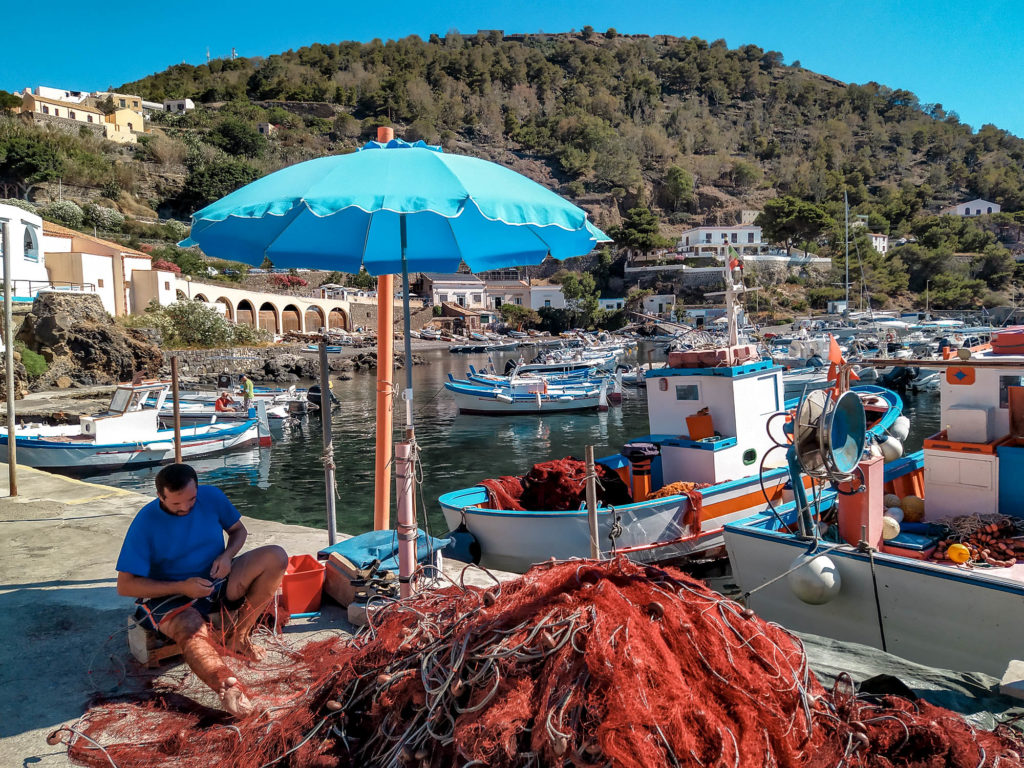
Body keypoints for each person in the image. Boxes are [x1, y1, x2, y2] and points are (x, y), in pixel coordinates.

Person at [116, 463, 287, 717]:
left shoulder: (212, 497)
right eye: (176, 504)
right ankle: (228, 687)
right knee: (191, 632)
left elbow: (239, 531)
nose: (185, 507)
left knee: (276, 556)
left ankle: (239, 636)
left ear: (197, 488)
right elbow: (125, 585)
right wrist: (182, 586)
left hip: (216, 581)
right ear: (160, 496)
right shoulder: (145, 522)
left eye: (191, 500)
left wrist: (228, 556)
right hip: (171, 596)